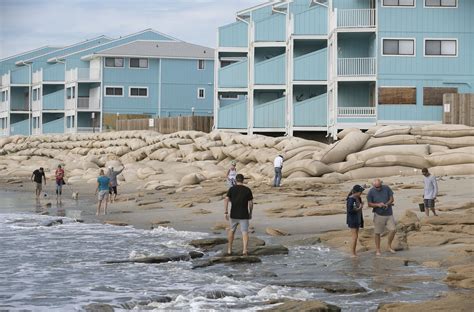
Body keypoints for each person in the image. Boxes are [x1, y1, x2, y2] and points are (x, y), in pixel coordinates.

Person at [224, 174, 254, 256]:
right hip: (244, 214)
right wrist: (250, 213)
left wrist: (226, 212)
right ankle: (244, 250)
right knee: (244, 232)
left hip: (233, 214)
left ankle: (229, 249)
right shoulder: (247, 190)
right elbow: (250, 203)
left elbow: (226, 200)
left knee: (232, 231)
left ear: (236, 180)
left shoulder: (231, 189)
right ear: (243, 180)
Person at [367, 179, 396, 256]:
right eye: (376, 187)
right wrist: (377, 205)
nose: (378, 188)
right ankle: (378, 249)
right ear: (374, 186)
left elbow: (392, 199)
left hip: (389, 213)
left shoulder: (386, 188)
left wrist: (386, 204)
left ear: (381, 184)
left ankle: (389, 246)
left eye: (379, 186)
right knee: (377, 233)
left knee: (393, 230)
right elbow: (369, 204)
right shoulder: (371, 192)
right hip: (378, 214)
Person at [346, 185, 365, 257]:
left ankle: (354, 252)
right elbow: (350, 210)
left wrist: (360, 207)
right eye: (360, 192)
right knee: (354, 237)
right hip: (352, 220)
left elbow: (358, 208)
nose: (361, 193)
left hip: (358, 219)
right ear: (356, 192)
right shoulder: (351, 199)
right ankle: (352, 253)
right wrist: (360, 207)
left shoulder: (358, 198)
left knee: (356, 236)